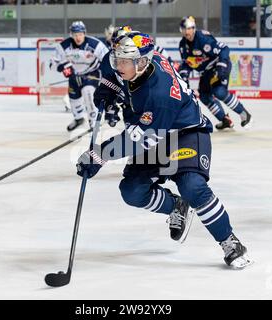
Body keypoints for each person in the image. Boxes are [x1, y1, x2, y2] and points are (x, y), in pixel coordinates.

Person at [76, 32, 253, 269]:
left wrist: (99, 154)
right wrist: (107, 87)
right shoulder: (137, 61)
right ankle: (175, 206)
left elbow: (138, 140)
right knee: (131, 191)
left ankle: (229, 241)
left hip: (185, 134)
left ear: (141, 63)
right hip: (153, 133)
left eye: (123, 62)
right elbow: (112, 59)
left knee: (192, 187)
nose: (118, 65)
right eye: (118, 60)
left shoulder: (159, 95)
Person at [178, 16, 253, 130]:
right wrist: (183, 77)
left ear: (194, 28)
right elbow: (187, 63)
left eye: (189, 29)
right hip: (207, 72)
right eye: (184, 29)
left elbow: (224, 49)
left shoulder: (203, 39)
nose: (187, 32)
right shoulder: (183, 45)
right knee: (204, 96)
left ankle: (244, 114)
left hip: (219, 66)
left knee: (219, 91)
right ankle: (225, 120)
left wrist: (221, 66)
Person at [51, 21, 109, 131]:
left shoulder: (95, 44)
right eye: (75, 34)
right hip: (74, 76)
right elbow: (52, 63)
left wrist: (105, 71)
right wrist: (64, 69)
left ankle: (94, 122)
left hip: (91, 75)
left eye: (81, 34)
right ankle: (78, 119)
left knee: (88, 94)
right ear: (71, 34)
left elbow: (108, 59)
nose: (78, 37)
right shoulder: (64, 46)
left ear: (85, 33)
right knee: (74, 99)